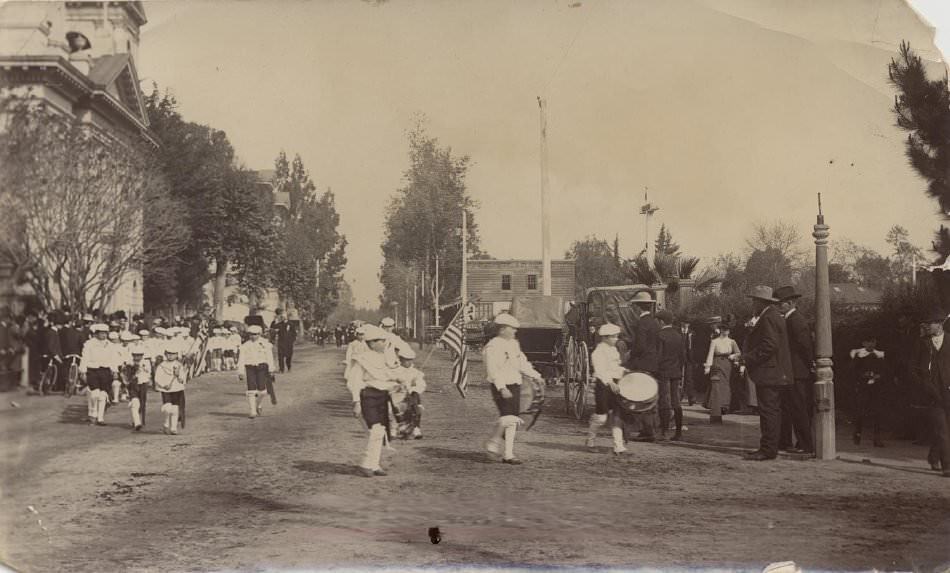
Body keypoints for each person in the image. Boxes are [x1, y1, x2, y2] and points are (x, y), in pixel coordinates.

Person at [741, 286, 794, 461]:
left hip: (769, 372)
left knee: (768, 411)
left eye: (754, 301)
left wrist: (747, 358)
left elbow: (769, 345)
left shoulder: (768, 317)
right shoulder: (772, 315)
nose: (752, 304)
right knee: (772, 410)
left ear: (759, 302)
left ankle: (768, 449)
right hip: (775, 372)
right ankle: (770, 447)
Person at [482, 313, 543, 464]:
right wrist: (501, 388)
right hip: (501, 386)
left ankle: (508, 454)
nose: (515, 331)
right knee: (508, 418)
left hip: (515, 384)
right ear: (502, 329)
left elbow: (522, 363)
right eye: (512, 329)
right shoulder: (492, 347)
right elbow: (492, 370)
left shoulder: (514, 344)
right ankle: (494, 442)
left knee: (513, 421)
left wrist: (536, 375)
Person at [346, 325, 403, 477]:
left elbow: (385, 377)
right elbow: (354, 381)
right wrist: (356, 402)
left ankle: (374, 464)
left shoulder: (383, 359)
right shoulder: (362, 359)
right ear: (372, 343)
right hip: (368, 397)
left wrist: (398, 382)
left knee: (381, 431)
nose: (384, 343)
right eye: (381, 341)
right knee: (375, 430)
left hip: (382, 397)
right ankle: (365, 464)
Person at [775, 285, 815, 454]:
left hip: (798, 372)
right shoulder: (789, 319)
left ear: (790, 303)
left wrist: (811, 363)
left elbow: (805, 346)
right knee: (789, 407)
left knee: (798, 408)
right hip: (792, 371)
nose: (778, 307)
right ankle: (786, 442)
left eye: (780, 304)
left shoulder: (796, 320)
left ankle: (805, 445)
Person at [909, 310, 950, 476]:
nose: (926, 326)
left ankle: (933, 456)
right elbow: (911, 369)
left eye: (930, 323)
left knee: (946, 430)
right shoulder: (921, 343)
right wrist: (924, 385)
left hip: (949, 390)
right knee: (941, 429)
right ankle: (947, 466)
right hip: (932, 394)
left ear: (939, 324)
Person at [586, 323, 629, 454]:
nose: (616, 339)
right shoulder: (598, 352)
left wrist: (624, 371)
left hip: (615, 384)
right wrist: (611, 383)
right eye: (613, 337)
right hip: (603, 385)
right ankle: (590, 441)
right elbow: (600, 371)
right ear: (605, 337)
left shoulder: (613, 350)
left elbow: (615, 368)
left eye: (617, 336)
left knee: (617, 415)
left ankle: (619, 446)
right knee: (601, 417)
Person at [625, 291, 660, 441]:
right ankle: (650, 429)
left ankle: (648, 431)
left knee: (642, 396)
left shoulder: (641, 323)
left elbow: (640, 346)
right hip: (654, 363)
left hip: (643, 363)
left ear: (638, 308)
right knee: (651, 395)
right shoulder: (655, 322)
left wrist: (630, 355)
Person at [850, 334, 886, 447]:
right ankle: (858, 433)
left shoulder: (879, 355)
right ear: (863, 343)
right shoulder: (859, 356)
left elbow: (885, 370)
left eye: (873, 341)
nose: (871, 344)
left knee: (878, 412)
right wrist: (863, 375)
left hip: (876, 387)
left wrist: (878, 376)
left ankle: (877, 438)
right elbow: (853, 371)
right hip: (863, 386)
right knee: (861, 411)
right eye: (868, 342)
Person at [80, 324, 118, 426]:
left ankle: (100, 418)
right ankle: (93, 414)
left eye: (105, 333)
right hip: (93, 370)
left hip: (105, 371)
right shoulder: (89, 344)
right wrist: (83, 371)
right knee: (95, 394)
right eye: (101, 333)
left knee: (103, 395)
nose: (104, 335)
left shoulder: (110, 345)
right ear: (96, 334)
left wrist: (115, 371)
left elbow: (113, 359)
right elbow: (85, 358)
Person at [656, 310, 685, 441]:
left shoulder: (660, 335)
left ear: (661, 321)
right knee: (676, 402)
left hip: (663, 372)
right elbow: (683, 356)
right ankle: (678, 432)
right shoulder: (679, 335)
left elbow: (659, 356)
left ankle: (664, 431)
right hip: (676, 372)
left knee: (664, 401)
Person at [704, 324, 741, 423]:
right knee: (717, 384)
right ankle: (717, 405)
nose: (725, 332)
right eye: (724, 330)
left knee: (726, 384)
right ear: (720, 330)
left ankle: (725, 405)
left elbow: (738, 353)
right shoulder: (714, 341)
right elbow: (710, 353)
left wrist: (733, 357)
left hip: (728, 364)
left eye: (727, 330)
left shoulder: (732, 342)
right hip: (717, 363)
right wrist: (708, 366)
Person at [237, 325, 276, 418]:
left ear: (259, 334)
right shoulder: (245, 345)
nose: (253, 336)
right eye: (250, 334)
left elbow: (269, 357)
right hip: (250, 367)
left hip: (262, 367)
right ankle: (252, 411)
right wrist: (240, 371)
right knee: (251, 389)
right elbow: (241, 358)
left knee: (262, 391)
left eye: (255, 334)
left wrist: (271, 369)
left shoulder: (265, 344)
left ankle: (258, 404)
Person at [395, 345, 426, 439]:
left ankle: (416, 427)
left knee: (415, 402)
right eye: (406, 360)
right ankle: (401, 427)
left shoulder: (415, 372)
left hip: (411, 396)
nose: (409, 362)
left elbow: (421, 385)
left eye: (410, 360)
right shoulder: (395, 371)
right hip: (398, 394)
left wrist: (414, 387)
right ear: (400, 359)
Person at [154, 347, 186, 435]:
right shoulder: (161, 366)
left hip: (176, 388)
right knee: (167, 408)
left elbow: (183, 379)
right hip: (166, 389)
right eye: (168, 354)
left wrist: (178, 375)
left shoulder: (179, 365)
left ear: (176, 355)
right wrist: (164, 385)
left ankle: (173, 427)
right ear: (165, 354)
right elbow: (157, 378)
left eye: (173, 354)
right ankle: (166, 423)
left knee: (175, 408)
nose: (171, 356)